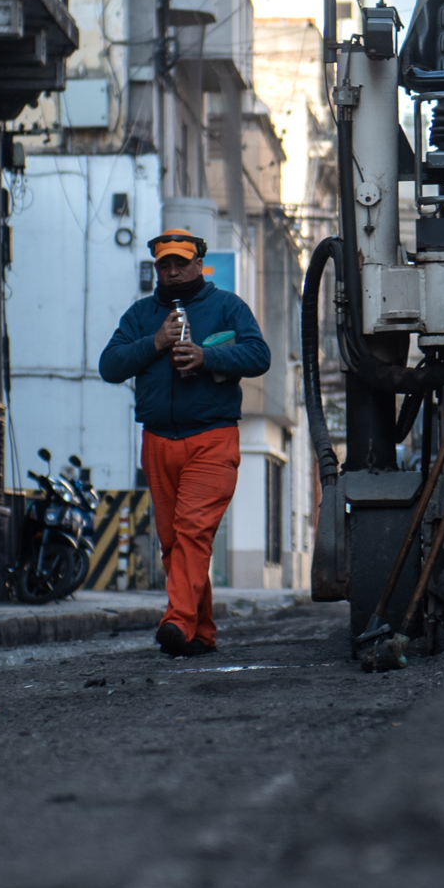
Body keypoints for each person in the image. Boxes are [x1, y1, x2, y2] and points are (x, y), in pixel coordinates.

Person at [98, 227, 272, 657]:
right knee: (174, 542)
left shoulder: (227, 307)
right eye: (165, 265)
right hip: (157, 440)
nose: (173, 272)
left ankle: (176, 621)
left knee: (193, 531)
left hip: (212, 438)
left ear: (199, 263)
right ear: (157, 269)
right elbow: (109, 366)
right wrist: (155, 342)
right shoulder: (141, 315)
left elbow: (259, 355)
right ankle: (201, 632)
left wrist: (207, 356)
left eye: (181, 263)